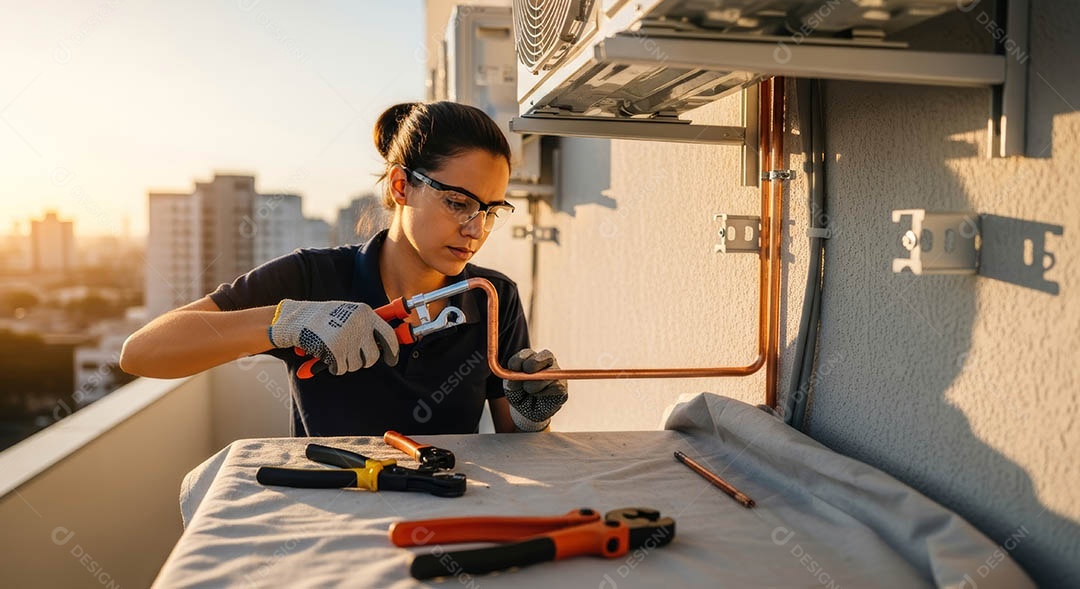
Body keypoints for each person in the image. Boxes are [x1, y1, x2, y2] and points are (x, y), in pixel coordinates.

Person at [120, 101, 568, 435]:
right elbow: (141, 353)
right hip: (332, 522)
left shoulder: (494, 298)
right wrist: (289, 322)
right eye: (458, 203)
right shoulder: (312, 279)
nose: (476, 230)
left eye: (491, 211)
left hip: (450, 511)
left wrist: (533, 419)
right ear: (401, 185)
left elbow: (517, 446)